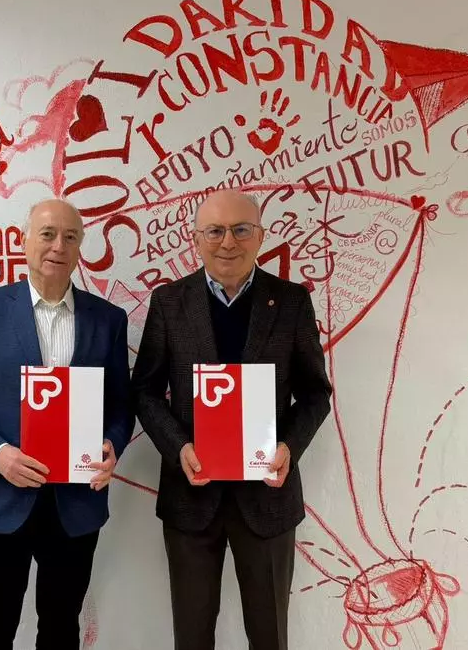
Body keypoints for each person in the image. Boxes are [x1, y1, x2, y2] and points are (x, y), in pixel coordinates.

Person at [130, 189, 333, 650]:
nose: (228, 242)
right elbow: (145, 390)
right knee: (192, 637)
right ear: (196, 239)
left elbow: (315, 393)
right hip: (191, 495)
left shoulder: (291, 301)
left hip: (268, 497)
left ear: (260, 236)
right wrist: (178, 446)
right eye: (215, 231)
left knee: (269, 636)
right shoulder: (169, 302)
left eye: (241, 230)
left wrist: (289, 447)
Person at [0, 198, 135, 650]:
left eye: (70, 237)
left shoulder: (109, 320)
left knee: (62, 632)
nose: (58, 245)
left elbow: (121, 404)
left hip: (75, 504)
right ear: (25, 240)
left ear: (80, 247)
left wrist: (112, 444)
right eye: (47, 234)